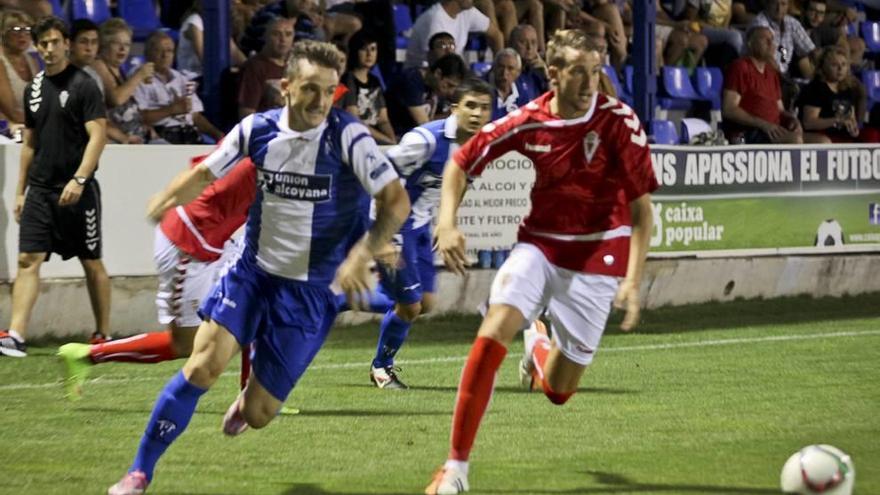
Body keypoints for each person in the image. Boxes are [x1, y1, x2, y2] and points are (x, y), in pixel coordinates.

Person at [106, 40, 410, 495]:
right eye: (310, 89)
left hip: (309, 295)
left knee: (259, 415)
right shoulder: (256, 129)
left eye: (329, 91)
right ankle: (138, 473)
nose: (320, 101)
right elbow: (206, 172)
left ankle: (247, 403)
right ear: (285, 87)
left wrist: (363, 254)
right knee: (202, 366)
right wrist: (167, 199)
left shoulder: (349, 137)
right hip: (253, 275)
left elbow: (395, 200)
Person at [424, 29, 657, 494]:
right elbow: (460, 163)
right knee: (491, 332)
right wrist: (447, 222)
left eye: (596, 71)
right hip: (540, 247)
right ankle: (454, 469)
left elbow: (642, 211)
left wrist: (632, 280)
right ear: (553, 73)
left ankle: (537, 346)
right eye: (578, 72)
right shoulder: (527, 121)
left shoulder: (619, 122)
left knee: (559, 392)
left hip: (598, 256)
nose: (590, 82)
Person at [57, 156, 255, 398]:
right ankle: (86, 355)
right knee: (186, 345)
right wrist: (165, 200)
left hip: (215, 239)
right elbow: (201, 171)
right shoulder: (269, 143)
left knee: (256, 304)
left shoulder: (270, 139)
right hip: (190, 243)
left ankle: (252, 396)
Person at [367, 77, 493, 389]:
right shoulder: (425, 141)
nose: (477, 114)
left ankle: (333, 300)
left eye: (485, 108)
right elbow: (377, 175)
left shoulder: (481, 147)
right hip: (393, 223)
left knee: (426, 302)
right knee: (410, 306)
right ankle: (381, 369)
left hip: (421, 225)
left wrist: (446, 222)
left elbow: (460, 183)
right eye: (471, 106)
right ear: (454, 109)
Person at [0, 16, 109, 358]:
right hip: (40, 190)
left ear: (66, 44)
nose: (48, 49)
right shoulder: (33, 88)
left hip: (77, 191)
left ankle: (103, 335)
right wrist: (20, 191)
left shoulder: (84, 85)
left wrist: (80, 179)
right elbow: (30, 144)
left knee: (91, 262)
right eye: (42, 43)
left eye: (54, 42)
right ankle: (16, 335)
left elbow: (99, 136)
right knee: (28, 258)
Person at [133, 31, 224, 144]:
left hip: (189, 135)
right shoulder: (138, 78)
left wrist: (217, 134)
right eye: (158, 50)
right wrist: (172, 109)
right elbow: (138, 118)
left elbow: (195, 116)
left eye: (169, 51)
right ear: (147, 54)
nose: (165, 55)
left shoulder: (181, 78)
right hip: (161, 136)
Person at [722, 26, 804, 144]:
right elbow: (729, 109)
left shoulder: (771, 72)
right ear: (750, 43)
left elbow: (780, 110)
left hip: (772, 130)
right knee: (795, 141)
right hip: (745, 133)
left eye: (772, 39)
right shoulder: (740, 67)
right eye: (765, 39)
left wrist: (792, 120)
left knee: (820, 142)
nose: (771, 44)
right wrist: (764, 125)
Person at [91, 18, 156, 144]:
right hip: (119, 142)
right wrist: (139, 76)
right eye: (116, 43)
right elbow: (116, 99)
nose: (122, 49)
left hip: (140, 137)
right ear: (104, 45)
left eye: (126, 44)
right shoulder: (98, 64)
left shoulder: (120, 71)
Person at [797, 46, 876, 142]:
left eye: (844, 65)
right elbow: (808, 123)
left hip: (842, 134)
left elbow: (851, 118)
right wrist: (837, 121)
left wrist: (854, 129)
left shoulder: (847, 88)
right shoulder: (815, 88)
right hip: (821, 134)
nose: (840, 69)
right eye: (835, 65)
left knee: (872, 135)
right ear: (823, 67)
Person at [403, 0, 502, 69]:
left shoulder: (467, 12)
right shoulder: (435, 19)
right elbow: (439, 63)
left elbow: (497, 35)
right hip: (422, 77)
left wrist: (497, 68)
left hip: (449, 72)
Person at [386, 53, 468, 136]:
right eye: (449, 85)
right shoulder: (412, 80)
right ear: (438, 74)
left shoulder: (435, 88)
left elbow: (430, 120)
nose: (451, 92)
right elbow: (424, 125)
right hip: (396, 137)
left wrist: (450, 115)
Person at [340, 30, 396, 144]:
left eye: (373, 49)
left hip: (377, 138)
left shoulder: (375, 81)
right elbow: (355, 120)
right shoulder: (348, 80)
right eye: (364, 49)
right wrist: (387, 140)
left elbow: (383, 120)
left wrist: (392, 139)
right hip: (356, 138)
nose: (369, 54)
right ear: (355, 51)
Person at [238, 16, 295, 118]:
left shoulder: (294, 66)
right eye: (276, 34)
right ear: (266, 37)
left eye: (288, 34)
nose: (283, 39)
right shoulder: (255, 67)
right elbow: (246, 114)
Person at [751, 0, 818, 78]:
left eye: (783, 4)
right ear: (767, 3)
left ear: (788, 6)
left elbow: (812, 51)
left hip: (783, 75)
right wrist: (784, 80)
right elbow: (767, 59)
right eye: (775, 3)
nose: (779, 9)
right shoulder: (760, 24)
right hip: (761, 75)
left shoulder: (791, 23)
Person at [0, 9, 38, 129]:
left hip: (28, 125)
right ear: (3, 33)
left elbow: (40, 101)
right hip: (6, 128)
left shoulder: (32, 61)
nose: (22, 35)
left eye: (27, 30)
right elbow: (12, 112)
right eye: (16, 30)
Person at [488, 48, 531, 119]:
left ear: (518, 72)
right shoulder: (483, 90)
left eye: (510, 68)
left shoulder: (522, 94)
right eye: (501, 67)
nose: (504, 73)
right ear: (494, 68)